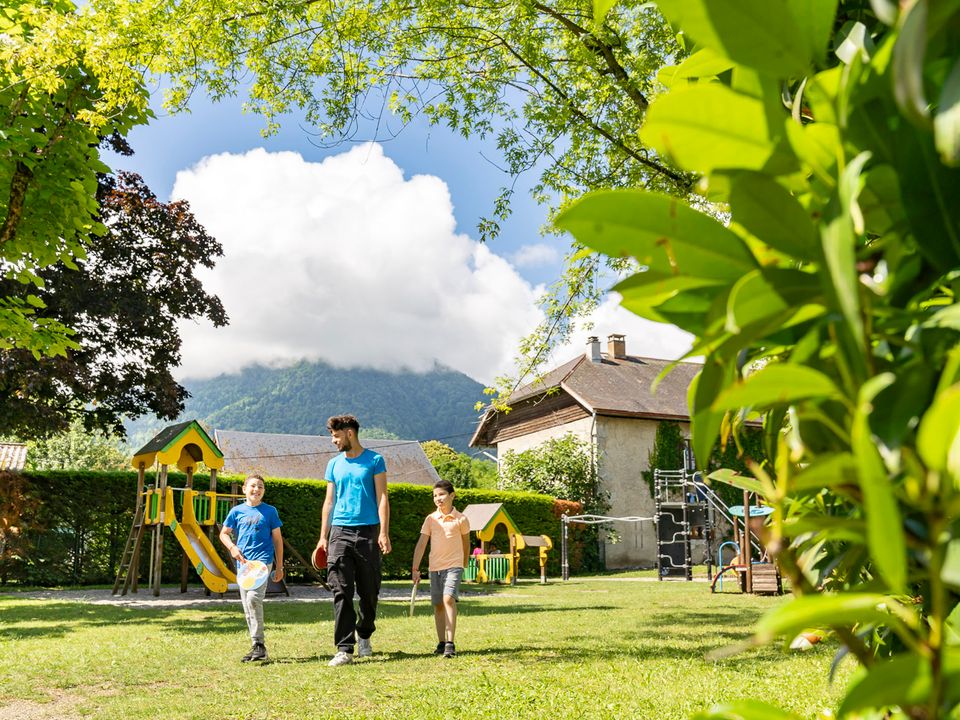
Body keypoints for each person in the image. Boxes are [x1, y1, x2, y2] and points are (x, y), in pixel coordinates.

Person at [315, 414, 391, 667]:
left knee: (369, 593)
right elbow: (329, 502)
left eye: (336, 436)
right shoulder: (334, 464)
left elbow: (382, 498)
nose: (333, 441)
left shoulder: (375, 461)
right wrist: (323, 537)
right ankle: (344, 648)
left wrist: (383, 532)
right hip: (339, 532)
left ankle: (365, 633)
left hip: (368, 532)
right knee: (341, 590)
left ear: (349, 433)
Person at [219, 474, 284, 662]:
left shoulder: (270, 512)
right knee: (247, 605)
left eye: (261, 487)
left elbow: (278, 540)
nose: (257, 489)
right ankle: (257, 645)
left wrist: (279, 566)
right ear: (244, 489)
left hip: (263, 562)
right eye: (253, 486)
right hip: (244, 564)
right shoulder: (236, 512)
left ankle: (259, 645)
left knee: (254, 598)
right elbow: (224, 534)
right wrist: (232, 547)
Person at [411, 479, 470, 658]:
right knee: (437, 605)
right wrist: (415, 568)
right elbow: (422, 544)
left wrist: (464, 563)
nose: (438, 498)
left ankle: (450, 643)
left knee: (448, 600)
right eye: (435, 496)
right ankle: (441, 642)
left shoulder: (461, 519)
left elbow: (466, 543)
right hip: (434, 567)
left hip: (454, 566)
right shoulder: (430, 519)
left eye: (442, 494)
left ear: (452, 495)